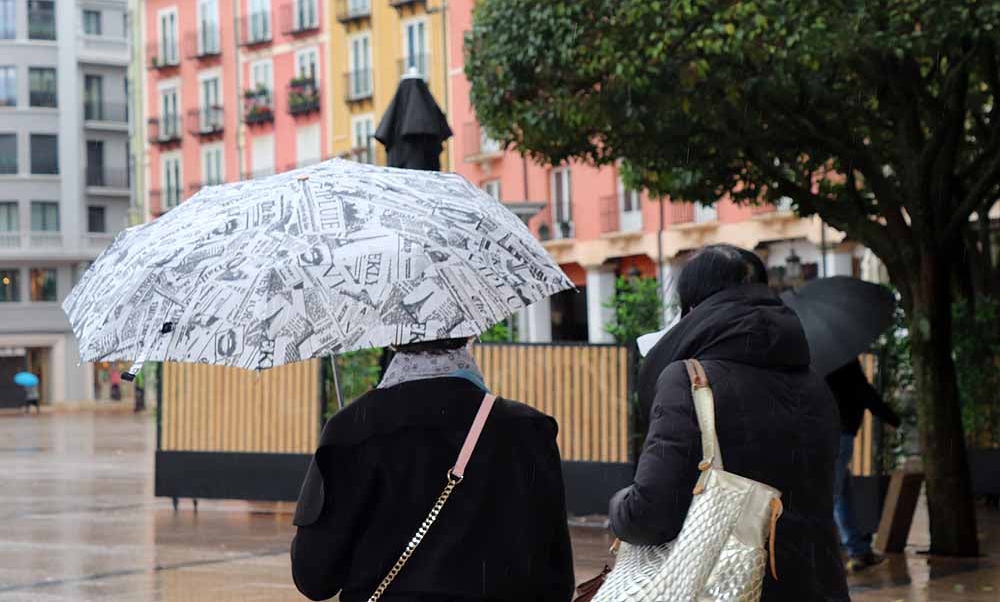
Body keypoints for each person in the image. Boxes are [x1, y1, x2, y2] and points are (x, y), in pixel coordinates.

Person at [610, 244, 849, 602]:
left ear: (691, 302)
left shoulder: (689, 380)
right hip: (818, 585)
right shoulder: (815, 384)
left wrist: (618, 506)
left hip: (725, 589)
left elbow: (650, 514)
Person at [290, 337, 575, 602]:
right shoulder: (528, 429)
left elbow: (314, 577)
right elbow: (556, 578)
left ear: (392, 340)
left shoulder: (351, 430)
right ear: (470, 334)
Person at [827, 358, 900, 573]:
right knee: (833, 495)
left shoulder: (816, 358)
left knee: (842, 494)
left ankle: (859, 551)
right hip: (839, 432)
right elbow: (863, 390)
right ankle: (821, 556)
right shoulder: (843, 359)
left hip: (826, 430)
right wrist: (893, 418)